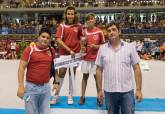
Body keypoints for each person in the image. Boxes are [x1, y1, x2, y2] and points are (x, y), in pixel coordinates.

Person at [95, 22, 143, 114]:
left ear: (119, 31)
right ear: (106, 33)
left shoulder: (130, 47)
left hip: (127, 91)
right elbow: (99, 70)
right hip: (109, 91)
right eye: (109, 31)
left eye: (114, 30)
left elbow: (136, 68)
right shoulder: (102, 49)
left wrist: (138, 90)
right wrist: (99, 90)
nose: (111, 32)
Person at [17, 27, 57, 114]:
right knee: (30, 111)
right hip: (31, 88)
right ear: (38, 37)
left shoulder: (52, 50)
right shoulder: (30, 49)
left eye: (47, 38)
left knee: (46, 112)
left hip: (46, 88)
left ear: (50, 40)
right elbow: (21, 68)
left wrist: (56, 82)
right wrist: (20, 86)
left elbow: (55, 66)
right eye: (43, 36)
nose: (45, 39)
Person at [51, 6, 82, 105]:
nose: (70, 16)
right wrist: (69, 49)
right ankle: (56, 95)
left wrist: (82, 47)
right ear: (65, 14)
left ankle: (70, 95)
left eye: (72, 14)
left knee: (72, 74)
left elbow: (80, 38)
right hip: (64, 54)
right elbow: (58, 40)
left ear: (75, 15)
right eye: (68, 14)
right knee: (61, 73)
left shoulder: (79, 26)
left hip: (75, 55)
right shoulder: (62, 26)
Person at [78, 13, 105, 106]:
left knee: (97, 78)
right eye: (88, 19)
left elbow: (105, 45)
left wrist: (96, 46)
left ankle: (99, 97)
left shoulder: (99, 32)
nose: (90, 20)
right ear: (86, 21)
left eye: (92, 19)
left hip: (96, 59)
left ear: (95, 20)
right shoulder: (83, 31)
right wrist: (82, 47)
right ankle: (82, 96)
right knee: (84, 77)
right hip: (86, 58)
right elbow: (81, 43)